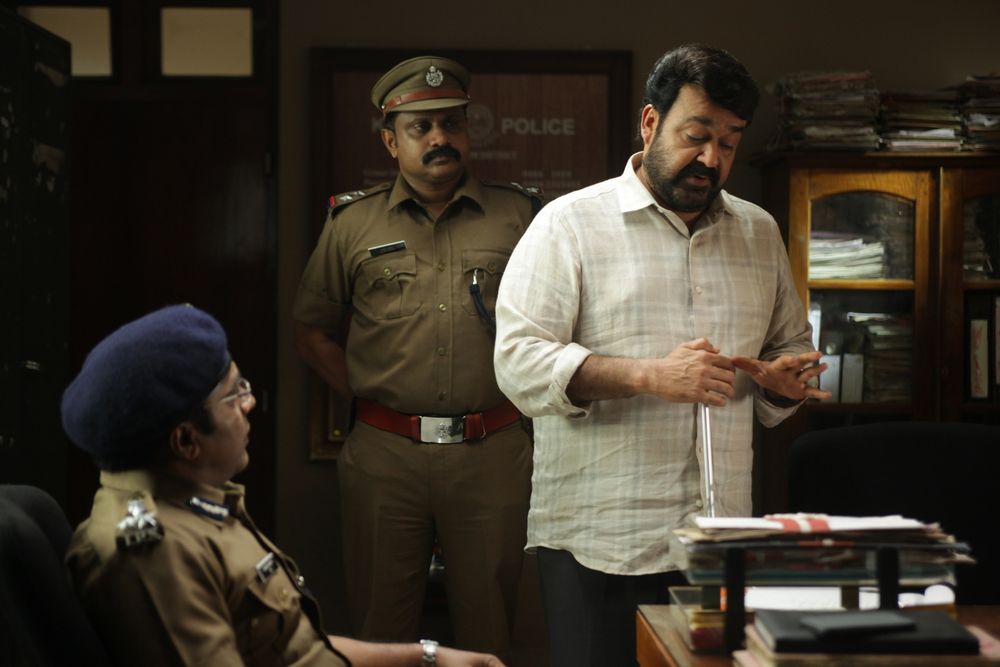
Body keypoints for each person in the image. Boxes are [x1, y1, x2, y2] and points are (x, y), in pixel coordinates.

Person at [492, 44, 830, 666]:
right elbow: (517, 362)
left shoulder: (759, 232)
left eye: (729, 143)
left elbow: (788, 350)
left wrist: (784, 381)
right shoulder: (569, 224)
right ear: (650, 123)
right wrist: (650, 375)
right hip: (601, 541)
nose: (711, 159)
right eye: (696, 136)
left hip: (718, 542)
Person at [62, 304, 505, 667]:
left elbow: (295, 649)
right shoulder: (157, 553)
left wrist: (427, 658)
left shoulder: (197, 503)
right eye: (234, 395)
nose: (250, 402)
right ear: (186, 441)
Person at [292, 56, 540, 659]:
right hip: (386, 455)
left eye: (451, 124)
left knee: (494, 624)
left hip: (493, 449)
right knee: (381, 625)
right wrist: (369, 394)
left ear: (467, 130)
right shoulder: (352, 223)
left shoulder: (521, 216)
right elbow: (312, 331)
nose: (438, 139)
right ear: (390, 141)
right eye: (420, 128)